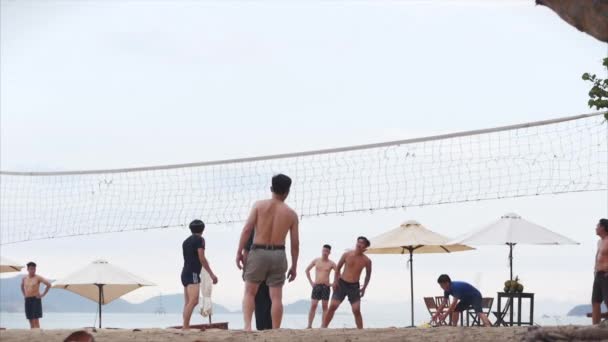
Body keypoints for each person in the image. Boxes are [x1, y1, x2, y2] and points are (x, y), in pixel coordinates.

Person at [236, 174, 299, 331]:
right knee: (276, 296)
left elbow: (247, 230)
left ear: (271, 188)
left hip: (258, 251)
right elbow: (295, 244)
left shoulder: (259, 205)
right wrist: (294, 266)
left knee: (250, 292)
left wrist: (239, 251)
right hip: (279, 253)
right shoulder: (291, 214)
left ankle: (248, 327)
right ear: (287, 191)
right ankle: (276, 331)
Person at [322, 237, 372, 329]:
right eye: (358, 242)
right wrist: (335, 281)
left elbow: (368, 276)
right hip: (342, 284)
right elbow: (338, 269)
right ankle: (324, 327)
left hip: (354, 287)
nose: (359, 244)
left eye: (362, 243)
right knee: (333, 306)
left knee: (356, 310)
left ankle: (361, 330)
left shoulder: (367, 261)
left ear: (365, 248)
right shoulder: (346, 254)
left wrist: (364, 288)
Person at [181, 219, 218, 330]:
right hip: (193, 273)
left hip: (184, 272)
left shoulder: (185, 241)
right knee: (194, 301)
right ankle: (185, 326)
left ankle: (185, 325)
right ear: (203, 229)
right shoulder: (200, 240)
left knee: (188, 302)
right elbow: (201, 257)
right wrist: (212, 274)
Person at [243, 230, 272, 330]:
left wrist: (244, 270)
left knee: (258, 298)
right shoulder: (274, 227)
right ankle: (270, 327)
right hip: (272, 264)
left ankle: (260, 327)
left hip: (256, 265)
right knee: (270, 297)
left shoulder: (253, 229)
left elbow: (246, 251)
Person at [305, 244, 336, 328]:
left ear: (329, 252)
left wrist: (332, 284)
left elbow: (338, 274)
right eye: (323, 250)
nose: (324, 253)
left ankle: (323, 326)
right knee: (313, 305)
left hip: (326, 287)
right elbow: (307, 270)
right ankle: (309, 325)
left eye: (326, 251)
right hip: (317, 286)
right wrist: (311, 282)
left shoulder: (331, 263)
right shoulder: (316, 260)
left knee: (325, 307)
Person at [20, 262, 51, 329]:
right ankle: (32, 333)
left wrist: (43, 294)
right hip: (28, 299)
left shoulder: (38, 278)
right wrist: (24, 295)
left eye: (34, 269)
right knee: (30, 319)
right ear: (27, 269)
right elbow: (22, 286)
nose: (33, 270)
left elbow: (48, 284)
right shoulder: (24, 278)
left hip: (35, 299)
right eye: (31, 269)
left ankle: (38, 334)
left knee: (35, 319)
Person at [592, 218, 608, 324]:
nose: (596, 228)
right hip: (598, 275)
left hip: (606, 275)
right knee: (595, 301)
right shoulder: (599, 242)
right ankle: (595, 327)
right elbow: (598, 256)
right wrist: (595, 271)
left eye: (597, 226)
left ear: (603, 227)